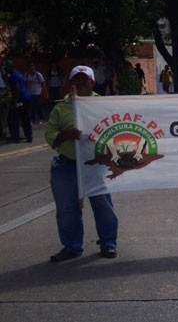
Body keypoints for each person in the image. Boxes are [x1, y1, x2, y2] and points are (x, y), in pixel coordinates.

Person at [45, 65, 118, 262]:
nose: (80, 83)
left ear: (92, 82)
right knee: (67, 210)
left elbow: (114, 129)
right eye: (76, 79)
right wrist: (65, 135)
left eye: (84, 79)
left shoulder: (101, 105)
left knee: (103, 205)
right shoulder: (60, 108)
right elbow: (50, 134)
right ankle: (72, 246)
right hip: (66, 166)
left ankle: (108, 243)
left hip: (95, 166)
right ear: (71, 83)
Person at [5, 60, 33, 143]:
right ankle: (29, 136)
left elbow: (17, 89)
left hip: (21, 99)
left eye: (7, 68)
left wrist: (14, 101)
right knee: (25, 118)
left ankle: (16, 137)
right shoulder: (19, 74)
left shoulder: (13, 76)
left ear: (11, 67)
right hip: (27, 97)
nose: (6, 70)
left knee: (14, 118)